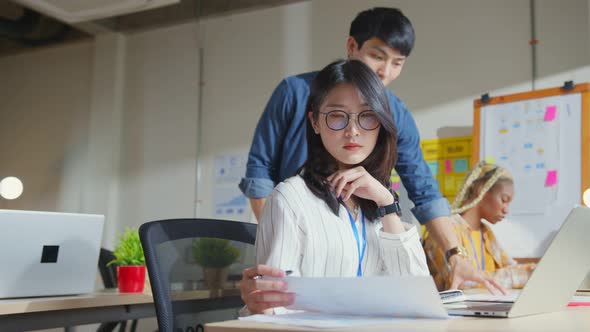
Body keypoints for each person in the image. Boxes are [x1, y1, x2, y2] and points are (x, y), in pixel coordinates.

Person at [239, 7, 506, 294]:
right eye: (378, 57)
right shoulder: (295, 92)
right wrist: (281, 228)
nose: (385, 71)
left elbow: (423, 188)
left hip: (360, 221)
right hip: (300, 221)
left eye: (397, 63)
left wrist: (455, 255)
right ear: (352, 46)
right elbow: (259, 171)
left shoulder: (397, 116)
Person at [240, 59, 429, 314]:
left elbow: (416, 298)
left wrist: (386, 203)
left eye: (367, 116)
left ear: (381, 124)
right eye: (337, 116)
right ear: (315, 122)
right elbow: (273, 311)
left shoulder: (379, 204)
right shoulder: (290, 199)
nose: (352, 130)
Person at [422, 161, 537, 291]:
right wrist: (526, 274)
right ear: (481, 190)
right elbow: (462, 282)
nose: (506, 210)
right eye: (504, 200)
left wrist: (533, 272)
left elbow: (510, 266)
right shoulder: (446, 229)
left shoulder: (486, 233)